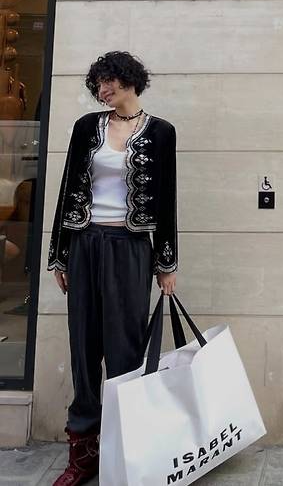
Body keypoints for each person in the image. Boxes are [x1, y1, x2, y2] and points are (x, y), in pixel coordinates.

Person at [47, 51, 178, 486]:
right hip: (85, 243)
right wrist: (60, 254)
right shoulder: (87, 127)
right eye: (98, 83)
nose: (102, 90)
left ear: (130, 81)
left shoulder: (160, 132)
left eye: (109, 81)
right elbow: (67, 189)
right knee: (83, 345)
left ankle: (125, 450)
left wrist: (166, 264)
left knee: (124, 349)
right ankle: (83, 452)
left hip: (130, 248)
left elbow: (166, 200)